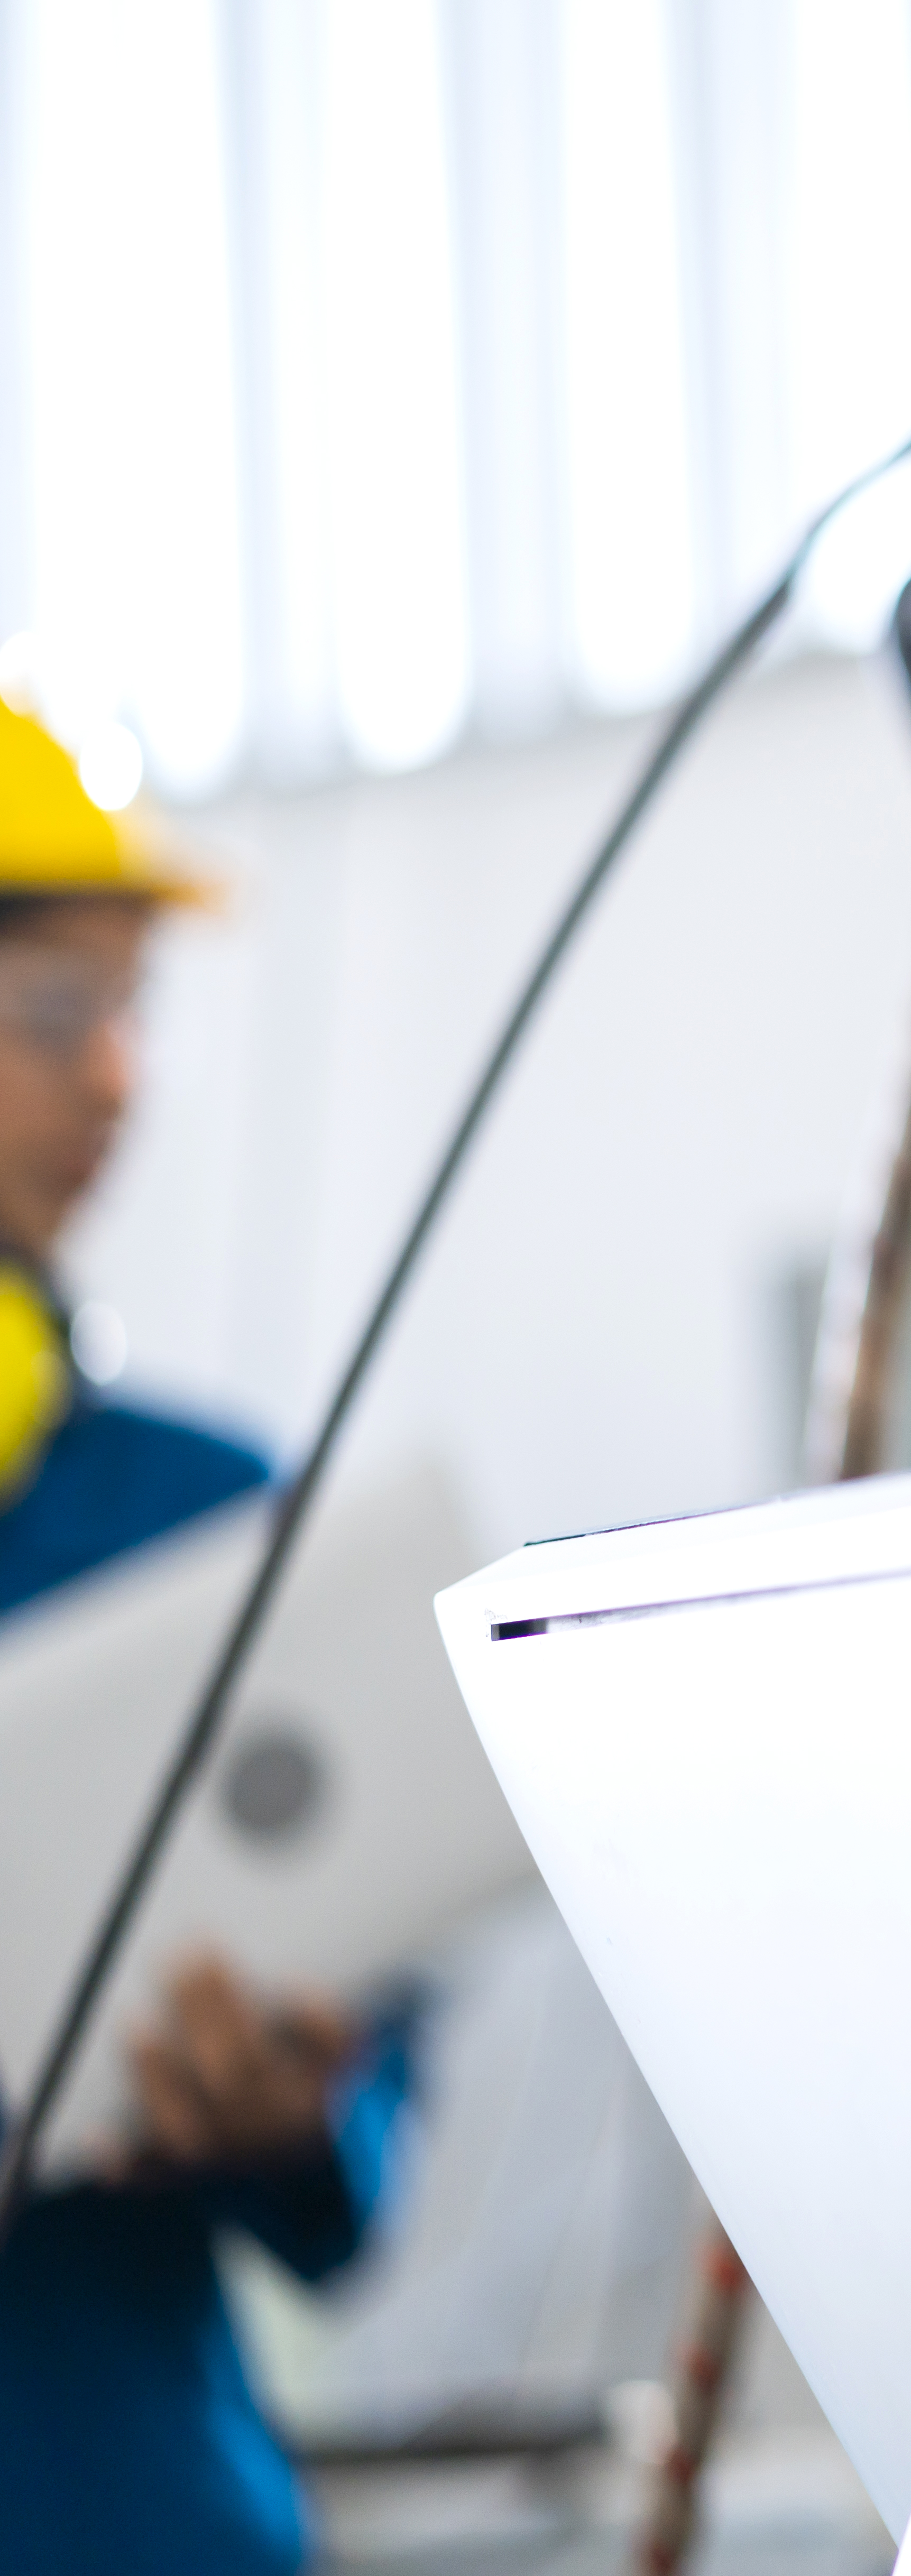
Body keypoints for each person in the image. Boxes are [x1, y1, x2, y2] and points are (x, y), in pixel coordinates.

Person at [0, 689, 410, 2571]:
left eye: (132, 1015)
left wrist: (292, 2112)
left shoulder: (209, 1520)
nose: (116, 1087)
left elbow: (365, 2113)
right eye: (55, 1020)